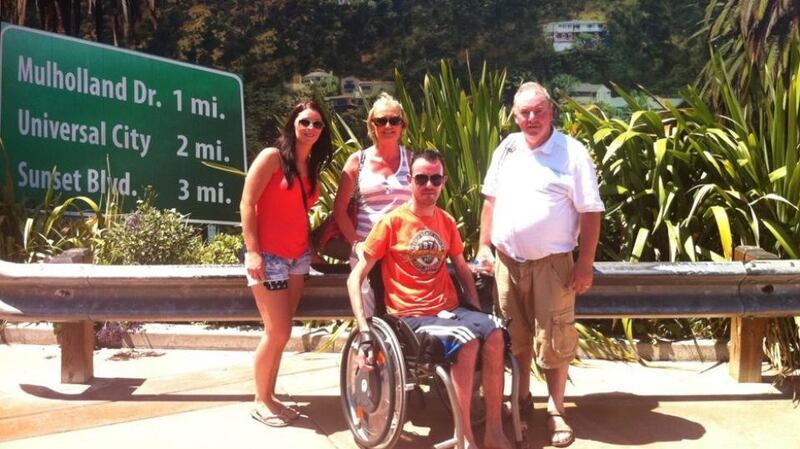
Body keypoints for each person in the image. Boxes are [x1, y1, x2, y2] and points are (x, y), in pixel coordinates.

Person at [348, 150, 513, 449]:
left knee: (496, 331)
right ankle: (466, 439)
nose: (428, 185)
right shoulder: (392, 223)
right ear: (410, 181)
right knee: (468, 340)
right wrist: (364, 331)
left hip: (449, 310)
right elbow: (355, 277)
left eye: (435, 179)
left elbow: (463, 271)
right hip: (411, 316)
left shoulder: (446, 221)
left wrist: (476, 312)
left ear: (443, 182)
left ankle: (494, 430)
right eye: (422, 178)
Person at [476, 82, 604, 448]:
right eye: (524, 113)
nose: (531, 119)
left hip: (553, 264)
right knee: (513, 339)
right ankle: (521, 401)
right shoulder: (507, 148)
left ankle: (556, 410)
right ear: (514, 116)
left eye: (539, 111)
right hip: (505, 263)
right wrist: (484, 245)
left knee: (555, 338)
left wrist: (585, 263)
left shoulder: (572, 152)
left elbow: (591, 212)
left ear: (551, 112)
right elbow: (490, 202)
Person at [240, 100, 332, 427]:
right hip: (269, 257)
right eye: (305, 122)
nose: (310, 129)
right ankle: (260, 399)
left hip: (297, 259)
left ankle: (270, 396)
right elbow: (247, 203)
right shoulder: (271, 158)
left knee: (283, 329)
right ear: (293, 123)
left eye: (317, 124)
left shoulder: (310, 167)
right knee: (277, 331)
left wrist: (311, 246)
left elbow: (298, 213)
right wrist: (253, 251)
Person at [332, 92, 413, 315]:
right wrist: (356, 244)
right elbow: (339, 211)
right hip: (366, 251)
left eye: (394, 120)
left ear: (402, 125)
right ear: (372, 125)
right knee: (369, 320)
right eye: (381, 120)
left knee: (402, 316)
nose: (388, 125)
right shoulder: (358, 161)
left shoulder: (413, 160)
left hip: (403, 252)